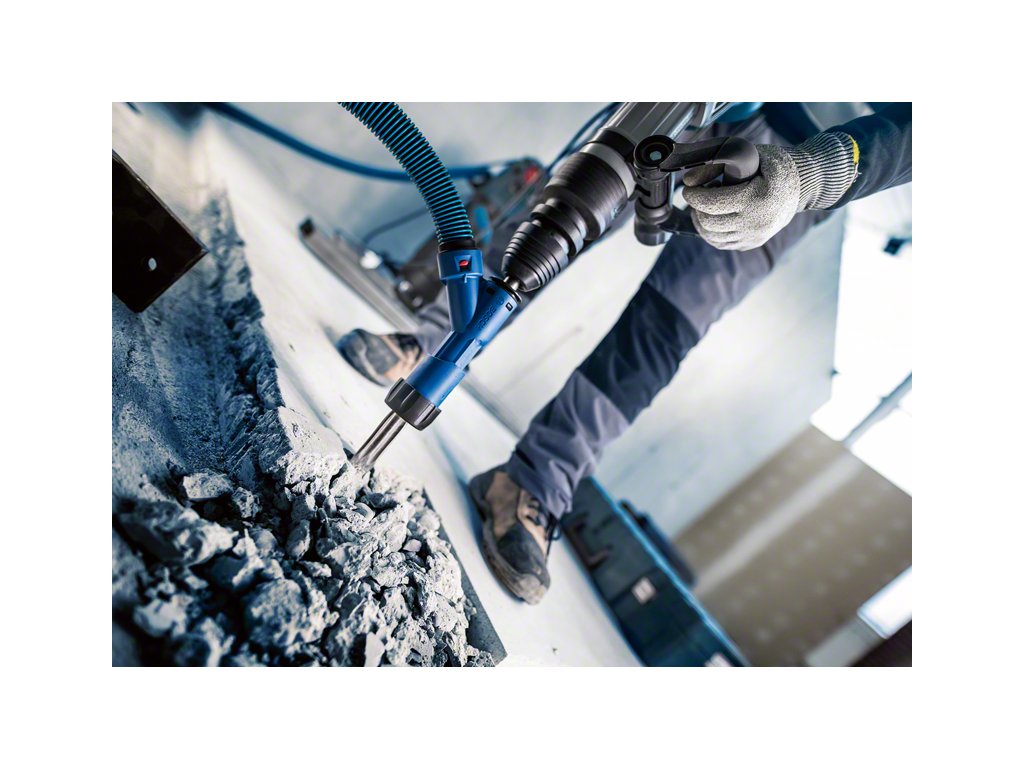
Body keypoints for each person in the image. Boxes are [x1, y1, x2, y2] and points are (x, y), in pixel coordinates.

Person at [342, 103, 912, 604]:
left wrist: (814, 174)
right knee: (562, 213)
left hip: (808, 163)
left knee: (667, 327)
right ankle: (433, 344)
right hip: (718, 95)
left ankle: (536, 481)